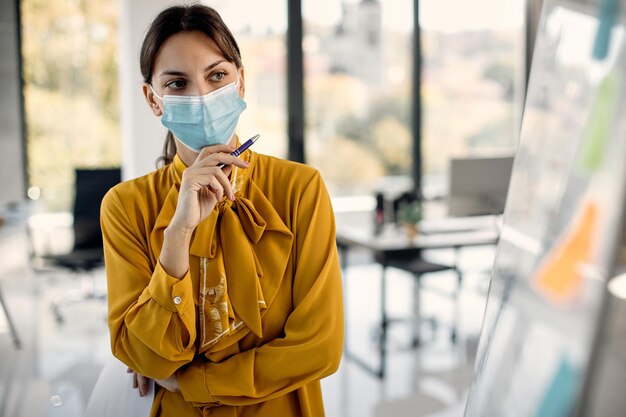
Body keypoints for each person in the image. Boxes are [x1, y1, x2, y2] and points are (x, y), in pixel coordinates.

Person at [100, 4, 344, 416]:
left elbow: (319, 348)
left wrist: (192, 382)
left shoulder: (300, 189)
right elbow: (146, 356)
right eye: (177, 83)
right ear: (153, 100)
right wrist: (178, 234)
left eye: (216, 76)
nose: (201, 96)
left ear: (241, 82)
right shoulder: (126, 207)